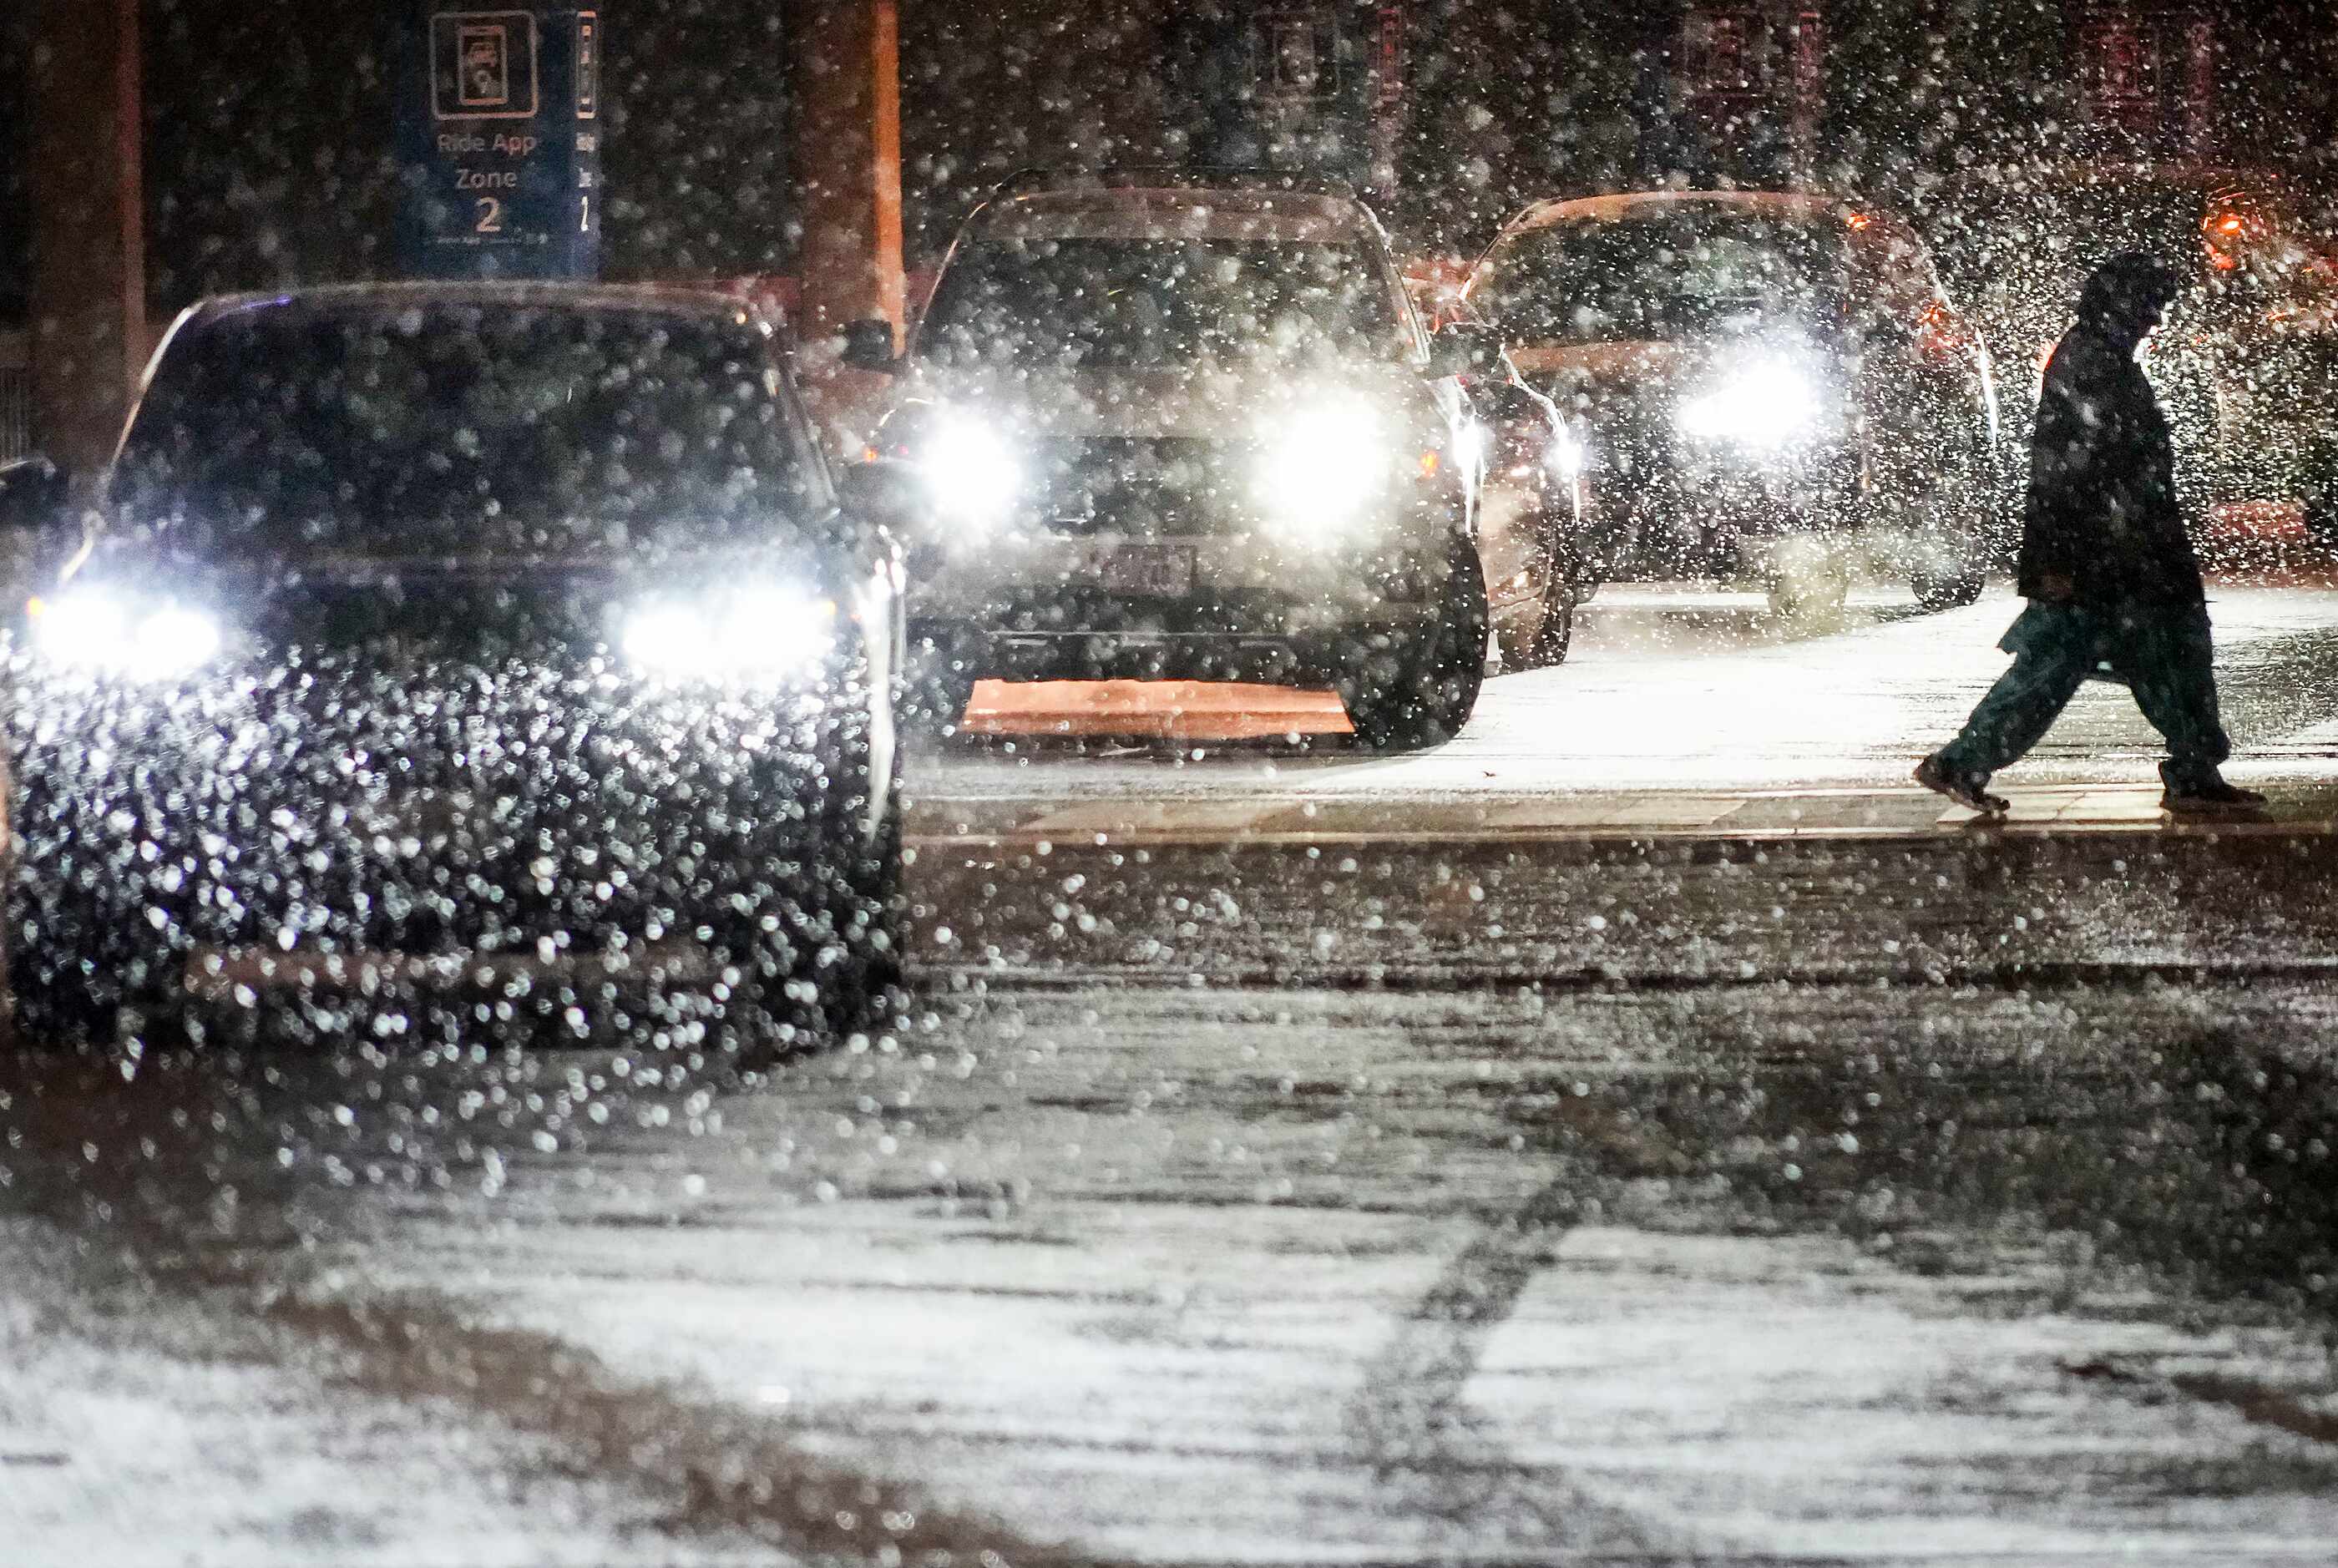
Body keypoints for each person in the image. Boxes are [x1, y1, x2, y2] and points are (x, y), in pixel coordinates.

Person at [1915, 250, 2266, 817]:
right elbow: (2078, 470)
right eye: (2151, 308)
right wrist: (2068, 555)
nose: (2156, 321)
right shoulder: (2093, 365)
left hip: (2117, 554)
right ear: (2124, 307)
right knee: (2126, 661)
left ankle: (2193, 769)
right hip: (2110, 557)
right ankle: (2191, 771)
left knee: (2110, 663)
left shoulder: (2096, 358)